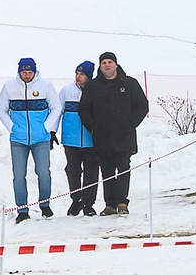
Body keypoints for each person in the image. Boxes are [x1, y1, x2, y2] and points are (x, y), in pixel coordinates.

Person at [79, 51, 148, 215]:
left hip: (124, 136)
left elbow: (142, 105)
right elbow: (84, 110)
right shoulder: (92, 86)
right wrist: (93, 127)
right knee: (107, 170)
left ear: (115, 64)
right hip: (102, 136)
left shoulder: (129, 83)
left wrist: (131, 124)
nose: (107, 65)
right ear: (100, 66)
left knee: (123, 168)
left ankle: (122, 202)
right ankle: (110, 205)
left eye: (110, 62)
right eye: (104, 63)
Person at [0, 58, 57, 221]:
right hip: (18, 140)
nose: (27, 75)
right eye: (24, 72)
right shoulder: (9, 86)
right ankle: (22, 210)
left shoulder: (45, 85)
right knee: (19, 175)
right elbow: (1, 109)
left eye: (30, 72)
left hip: (41, 139)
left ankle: (45, 204)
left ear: (35, 72)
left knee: (43, 173)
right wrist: (12, 127)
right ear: (19, 72)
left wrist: (46, 127)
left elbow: (56, 107)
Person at [53, 61, 97, 217]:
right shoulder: (66, 90)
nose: (78, 77)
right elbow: (58, 111)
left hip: (91, 140)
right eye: (77, 73)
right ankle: (76, 198)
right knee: (73, 170)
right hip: (71, 139)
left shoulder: (95, 90)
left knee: (91, 172)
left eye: (82, 74)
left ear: (89, 76)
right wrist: (52, 131)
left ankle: (88, 203)